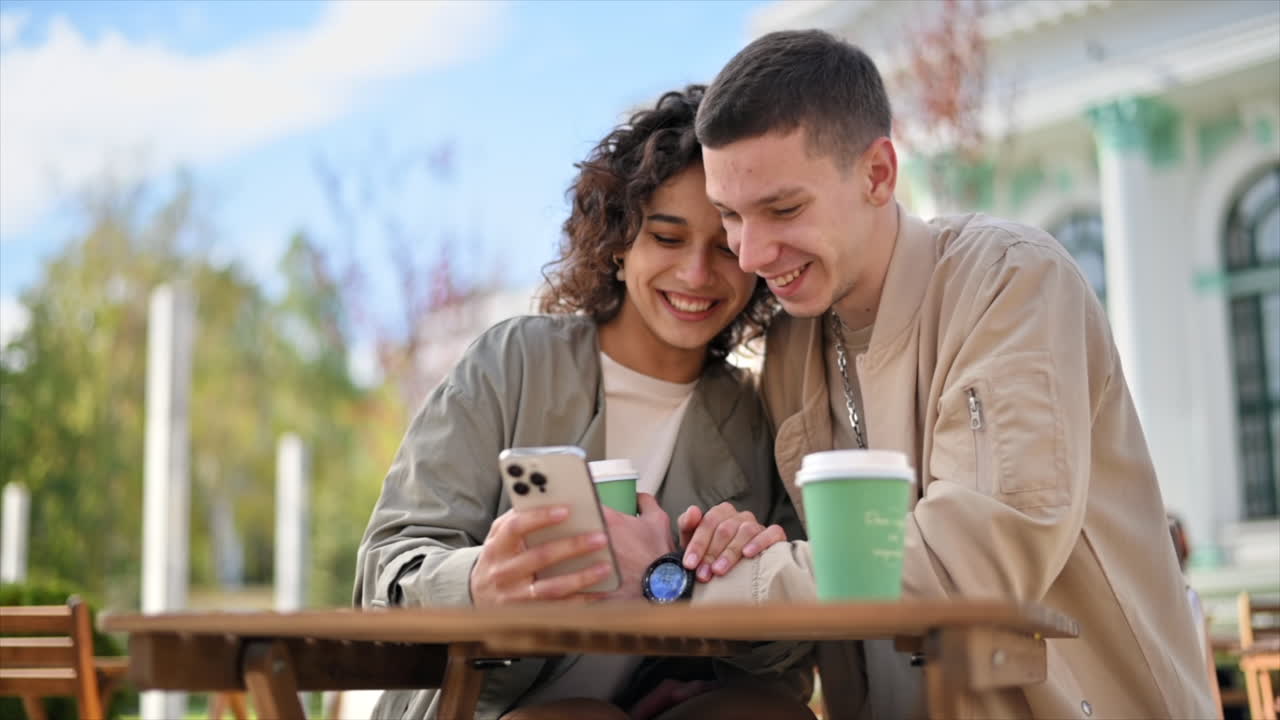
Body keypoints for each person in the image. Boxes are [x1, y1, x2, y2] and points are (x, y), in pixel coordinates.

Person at [687, 29, 1217, 718]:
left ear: (879, 174)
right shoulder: (788, 347)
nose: (751, 252)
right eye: (730, 215)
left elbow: (970, 569)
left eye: (784, 209)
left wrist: (711, 585)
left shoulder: (1011, 283)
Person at [354, 86, 814, 720]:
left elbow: (787, 665)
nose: (698, 275)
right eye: (668, 238)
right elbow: (385, 573)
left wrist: (745, 587)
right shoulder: (516, 363)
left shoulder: (753, 421)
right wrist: (476, 584)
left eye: (726, 248)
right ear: (621, 243)